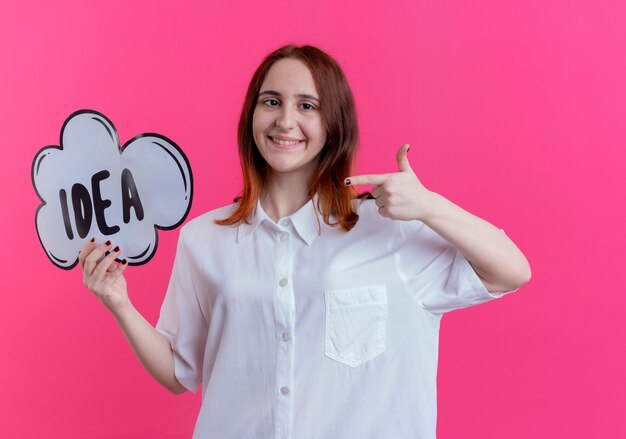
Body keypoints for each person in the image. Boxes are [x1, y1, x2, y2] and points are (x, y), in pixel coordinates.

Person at [79, 44, 531, 438]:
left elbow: (511, 271)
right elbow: (179, 372)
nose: (285, 120)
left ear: (334, 123)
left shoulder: (391, 228)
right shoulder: (204, 239)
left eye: (308, 106)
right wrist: (119, 303)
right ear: (252, 116)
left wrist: (431, 206)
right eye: (271, 101)